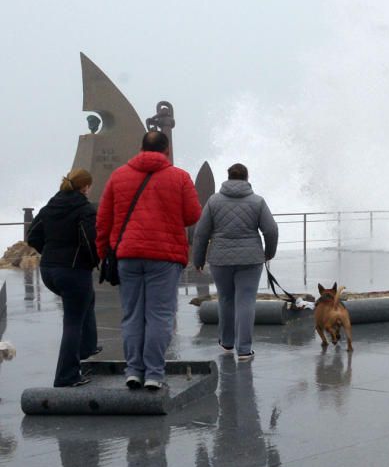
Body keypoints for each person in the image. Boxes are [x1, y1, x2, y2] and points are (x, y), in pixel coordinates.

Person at [96, 130, 201, 390]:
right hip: (164, 257)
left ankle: (133, 371)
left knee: (132, 315)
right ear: (166, 151)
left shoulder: (118, 176)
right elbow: (192, 215)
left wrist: (104, 254)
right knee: (160, 316)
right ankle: (154, 373)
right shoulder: (179, 177)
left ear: (141, 148)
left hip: (128, 256)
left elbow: (103, 219)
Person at [192, 163, 278, 362]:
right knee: (246, 301)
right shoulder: (257, 202)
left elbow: (201, 233)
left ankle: (227, 342)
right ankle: (245, 350)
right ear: (247, 178)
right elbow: (271, 230)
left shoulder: (214, 201)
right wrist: (269, 253)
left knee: (226, 299)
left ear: (228, 177)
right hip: (250, 259)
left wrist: (198, 259)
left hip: (220, 259)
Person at [26, 169, 100, 387]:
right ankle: (66, 377)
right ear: (85, 187)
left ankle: (87, 347)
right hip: (73, 271)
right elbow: (89, 241)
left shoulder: (50, 207)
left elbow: (33, 236)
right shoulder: (84, 209)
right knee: (72, 322)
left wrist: (49, 252)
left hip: (48, 270)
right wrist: (94, 262)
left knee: (87, 300)